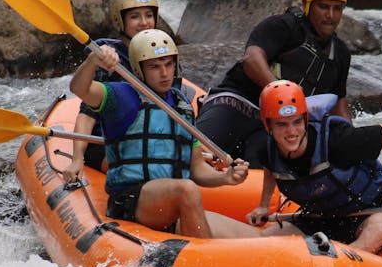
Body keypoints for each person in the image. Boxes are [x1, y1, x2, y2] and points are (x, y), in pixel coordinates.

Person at [66, 28, 260, 240]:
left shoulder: (182, 106)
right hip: (132, 200)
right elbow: (79, 89)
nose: (165, 73)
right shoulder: (122, 96)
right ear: (139, 70)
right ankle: (204, 259)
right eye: (155, 67)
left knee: (256, 238)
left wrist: (225, 177)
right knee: (187, 190)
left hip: (171, 205)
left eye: (169, 64)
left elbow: (197, 168)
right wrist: (92, 62)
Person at [195, 0, 353, 168]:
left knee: (263, 163)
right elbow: (251, 59)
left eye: (337, 8)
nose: (330, 15)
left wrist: (350, 141)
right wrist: (280, 91)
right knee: (198, 152)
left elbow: (339, 103)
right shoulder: (283, 26)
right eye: (323, 7)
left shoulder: (340, 54)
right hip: (238, 104)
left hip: (273, 125)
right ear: (307, 5)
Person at [246, 80, 382, 254]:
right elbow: (271, 168)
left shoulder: (337, 140)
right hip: (318, 220)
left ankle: (345, 257)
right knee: (265, 240)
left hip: (368, 214)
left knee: (379, 227)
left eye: (297, 122)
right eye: (282, 124)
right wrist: (264, 205)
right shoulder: (266, 149)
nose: (292, 132)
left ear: (305, 119)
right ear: (268, 125)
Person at [73, 0, 160, 173]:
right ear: (120, 21)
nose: (144, 22)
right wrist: (77, 158)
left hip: (146, 141)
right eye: (135, 16)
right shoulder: (107, 58)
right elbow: (87, 113)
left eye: (149, 15)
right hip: (106, 143)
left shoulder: (164, 57)